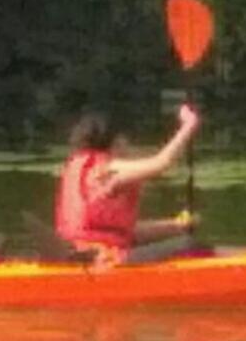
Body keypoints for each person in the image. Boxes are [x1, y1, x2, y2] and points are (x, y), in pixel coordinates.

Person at [54, 106, 204, 266]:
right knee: (188, 244)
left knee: (180, 240)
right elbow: (162, 163)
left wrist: (175, 226)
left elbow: (124, 233)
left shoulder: (80, 167)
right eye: (125, 140)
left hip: (78, 252)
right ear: (115, 141)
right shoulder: (106, 170)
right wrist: (189, 125)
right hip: (103, 259)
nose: (128, 146)